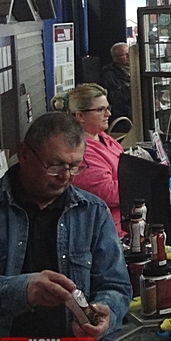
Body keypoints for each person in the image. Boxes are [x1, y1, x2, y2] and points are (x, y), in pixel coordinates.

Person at [0, 112, 131, 339]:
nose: (65, 176)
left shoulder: (93, 212)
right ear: (24, 155)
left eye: (75, 166)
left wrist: (107, 312)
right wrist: (22, 291)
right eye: (55, 165)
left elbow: (116, 286)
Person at [52, 83, 124, 236]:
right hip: (107, 229)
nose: (108, 114)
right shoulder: (81, 152)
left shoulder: (104, 138)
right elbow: (108, 193)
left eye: (107, 108)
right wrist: (141, 183)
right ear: (80, 116)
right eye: (100, 110)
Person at [99, 42, 132, 125]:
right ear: (115, 58)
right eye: (124, 55)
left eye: (129, 53)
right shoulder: (110, 74)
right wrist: (129, 89)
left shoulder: (136, 68)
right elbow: (113, 98)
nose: (128, 56)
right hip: (124, 114)